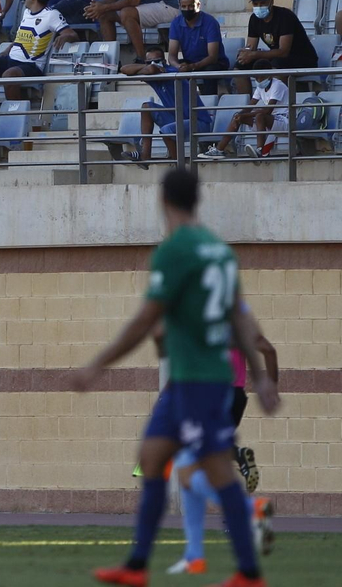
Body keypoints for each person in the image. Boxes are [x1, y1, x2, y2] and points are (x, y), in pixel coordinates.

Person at [71, 168, 277, 587]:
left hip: (201, 381)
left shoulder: (174, 250)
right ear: (196, 199)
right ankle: (136, 567)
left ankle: (250, 571)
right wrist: (260, 377)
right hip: (190, 382)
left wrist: (98, 364)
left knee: (217, 471)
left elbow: (146, 320)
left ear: (163, 199)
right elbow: (242, 319)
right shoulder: (219, 251)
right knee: (151, 459)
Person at [162, 313, 280, 575]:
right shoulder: (238, 321)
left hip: (211, 396)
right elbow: (269, 350)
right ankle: (196, 555)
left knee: (188, 464)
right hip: (235, 396)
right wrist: (271, 385)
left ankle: (249, 508)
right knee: (196, 465)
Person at [0, 0, 78, 102]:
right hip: (11, 60)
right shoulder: (26, 12)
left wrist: (65, 36)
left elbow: (72, 34)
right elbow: (20, 38)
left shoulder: (51, 14)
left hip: (31, 65)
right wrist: (6, 51)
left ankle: (15, 111)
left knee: (9, 75)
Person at [118, 55, 211, 165]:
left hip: (198, 121)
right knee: (146, 107)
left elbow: (151, 69)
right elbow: (124, 69)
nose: (153, 64)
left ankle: (178, 165)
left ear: (163, 61)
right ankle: (145, 155)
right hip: (177, 118)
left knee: (167, 130)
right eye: (149, 62)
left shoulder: (172, 71)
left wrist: (147, 68)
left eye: (156, 61)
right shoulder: (153, 74)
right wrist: (147, 67)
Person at [237, 0, 317, 94]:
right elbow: (251, 46)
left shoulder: (285, 16)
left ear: (271, 2)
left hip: (302, 58)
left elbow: (284, 51)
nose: (259, 7)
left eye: (263, 3)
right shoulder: (254, 19)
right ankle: (246, 103)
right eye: (255, 4)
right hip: (277, 56)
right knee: (240, 66)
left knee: (276, 65)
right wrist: (246, 53)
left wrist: (254, 54)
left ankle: (277, 103)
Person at [201, 72, 289, 161]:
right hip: (270, 121)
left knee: (260, 116)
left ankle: (260, 150)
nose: (258, 81)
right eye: (256, 78)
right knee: (237, 116)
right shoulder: (260, 87)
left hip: (284, 120)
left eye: (261, 78)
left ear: (269, 76)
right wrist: (240, 115)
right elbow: (250, 106)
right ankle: (219, 150)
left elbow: (267, 110)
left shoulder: (277, 85)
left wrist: (244, 115)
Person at [167, 0, 228, 95]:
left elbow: (212, 57)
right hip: (189, 62)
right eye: (184, 7)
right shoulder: (176, 23)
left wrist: (193, 67)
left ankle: (209, 105)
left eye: (191, 6)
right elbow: (172, 56)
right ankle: (180, 104)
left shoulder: (210, 22)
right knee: (171, 70)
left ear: (198, 5)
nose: (187, 9)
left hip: (214, 63)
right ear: (180, 7)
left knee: (209, 71)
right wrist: (179, 66)